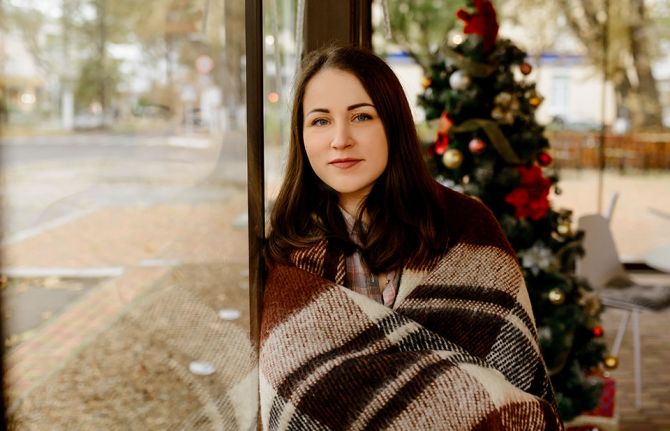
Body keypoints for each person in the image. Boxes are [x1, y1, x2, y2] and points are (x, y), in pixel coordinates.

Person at [260, 45, 562, 431]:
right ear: (300, 135)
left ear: (394, 125)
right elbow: (293, 392)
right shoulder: (288, 246)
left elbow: (516, 387)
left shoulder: (466, 227)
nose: (340, 139)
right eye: (320, 121)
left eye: (362, 116)